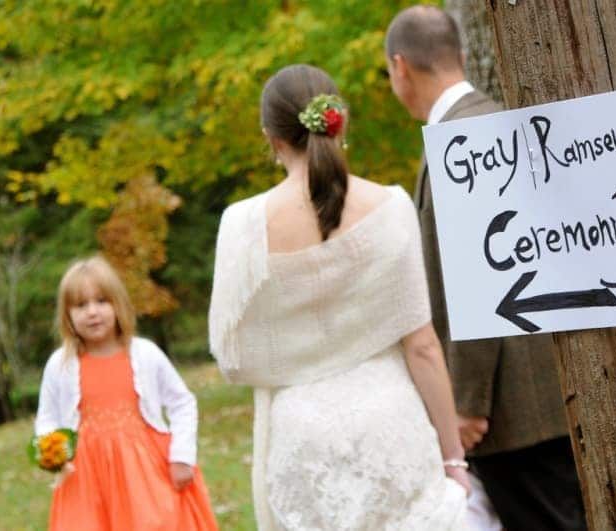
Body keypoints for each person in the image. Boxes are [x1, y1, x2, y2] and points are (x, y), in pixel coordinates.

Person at [208, 64, 470, 530]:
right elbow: (423, 345)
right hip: (391, 423)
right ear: (340, 120)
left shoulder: (241, 226)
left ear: (271, 137)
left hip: (301, 435)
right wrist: (454, 458)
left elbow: (230, 354)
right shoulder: (391, 208)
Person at [385, 6, 587, 531]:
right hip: (549, 391)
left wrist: (468, 402)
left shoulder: (460, 143)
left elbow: (486, 279)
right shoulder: (499, 120)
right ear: (461, 55)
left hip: (512, 409)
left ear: (400, 67)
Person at [35, 256, 219, 530]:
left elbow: (182, 403)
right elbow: (47, 417)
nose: (92, 312)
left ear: (118, 304)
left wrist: (181, 456)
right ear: (67, 315)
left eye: (101, 301)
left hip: (144, 472)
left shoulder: (145, 353)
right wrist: (52, 449)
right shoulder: (60, 364)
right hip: (86, 479)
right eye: (81, 305)